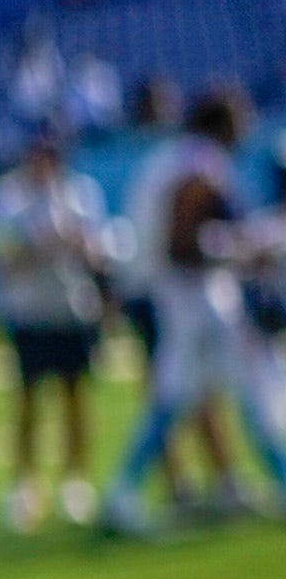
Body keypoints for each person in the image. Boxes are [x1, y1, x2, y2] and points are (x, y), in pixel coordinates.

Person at [108, 86, 286, 530]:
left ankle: (134, 491)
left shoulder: (179, 158)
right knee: (232, 385)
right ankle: (123, 492)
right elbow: (181, 245)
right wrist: (240, 252)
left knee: (219, 388)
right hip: (188, 296)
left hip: (182, 293)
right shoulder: (198, 164)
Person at [0, 122, 111, 531]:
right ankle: (24, 485)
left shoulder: (80, 193)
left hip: (72, 308)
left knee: (76, 396)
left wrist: (78, 244)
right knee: (29, 399)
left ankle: (76, 481)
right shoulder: (7, 197)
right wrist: (35, 245)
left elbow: (99, 255)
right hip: (29, 311)